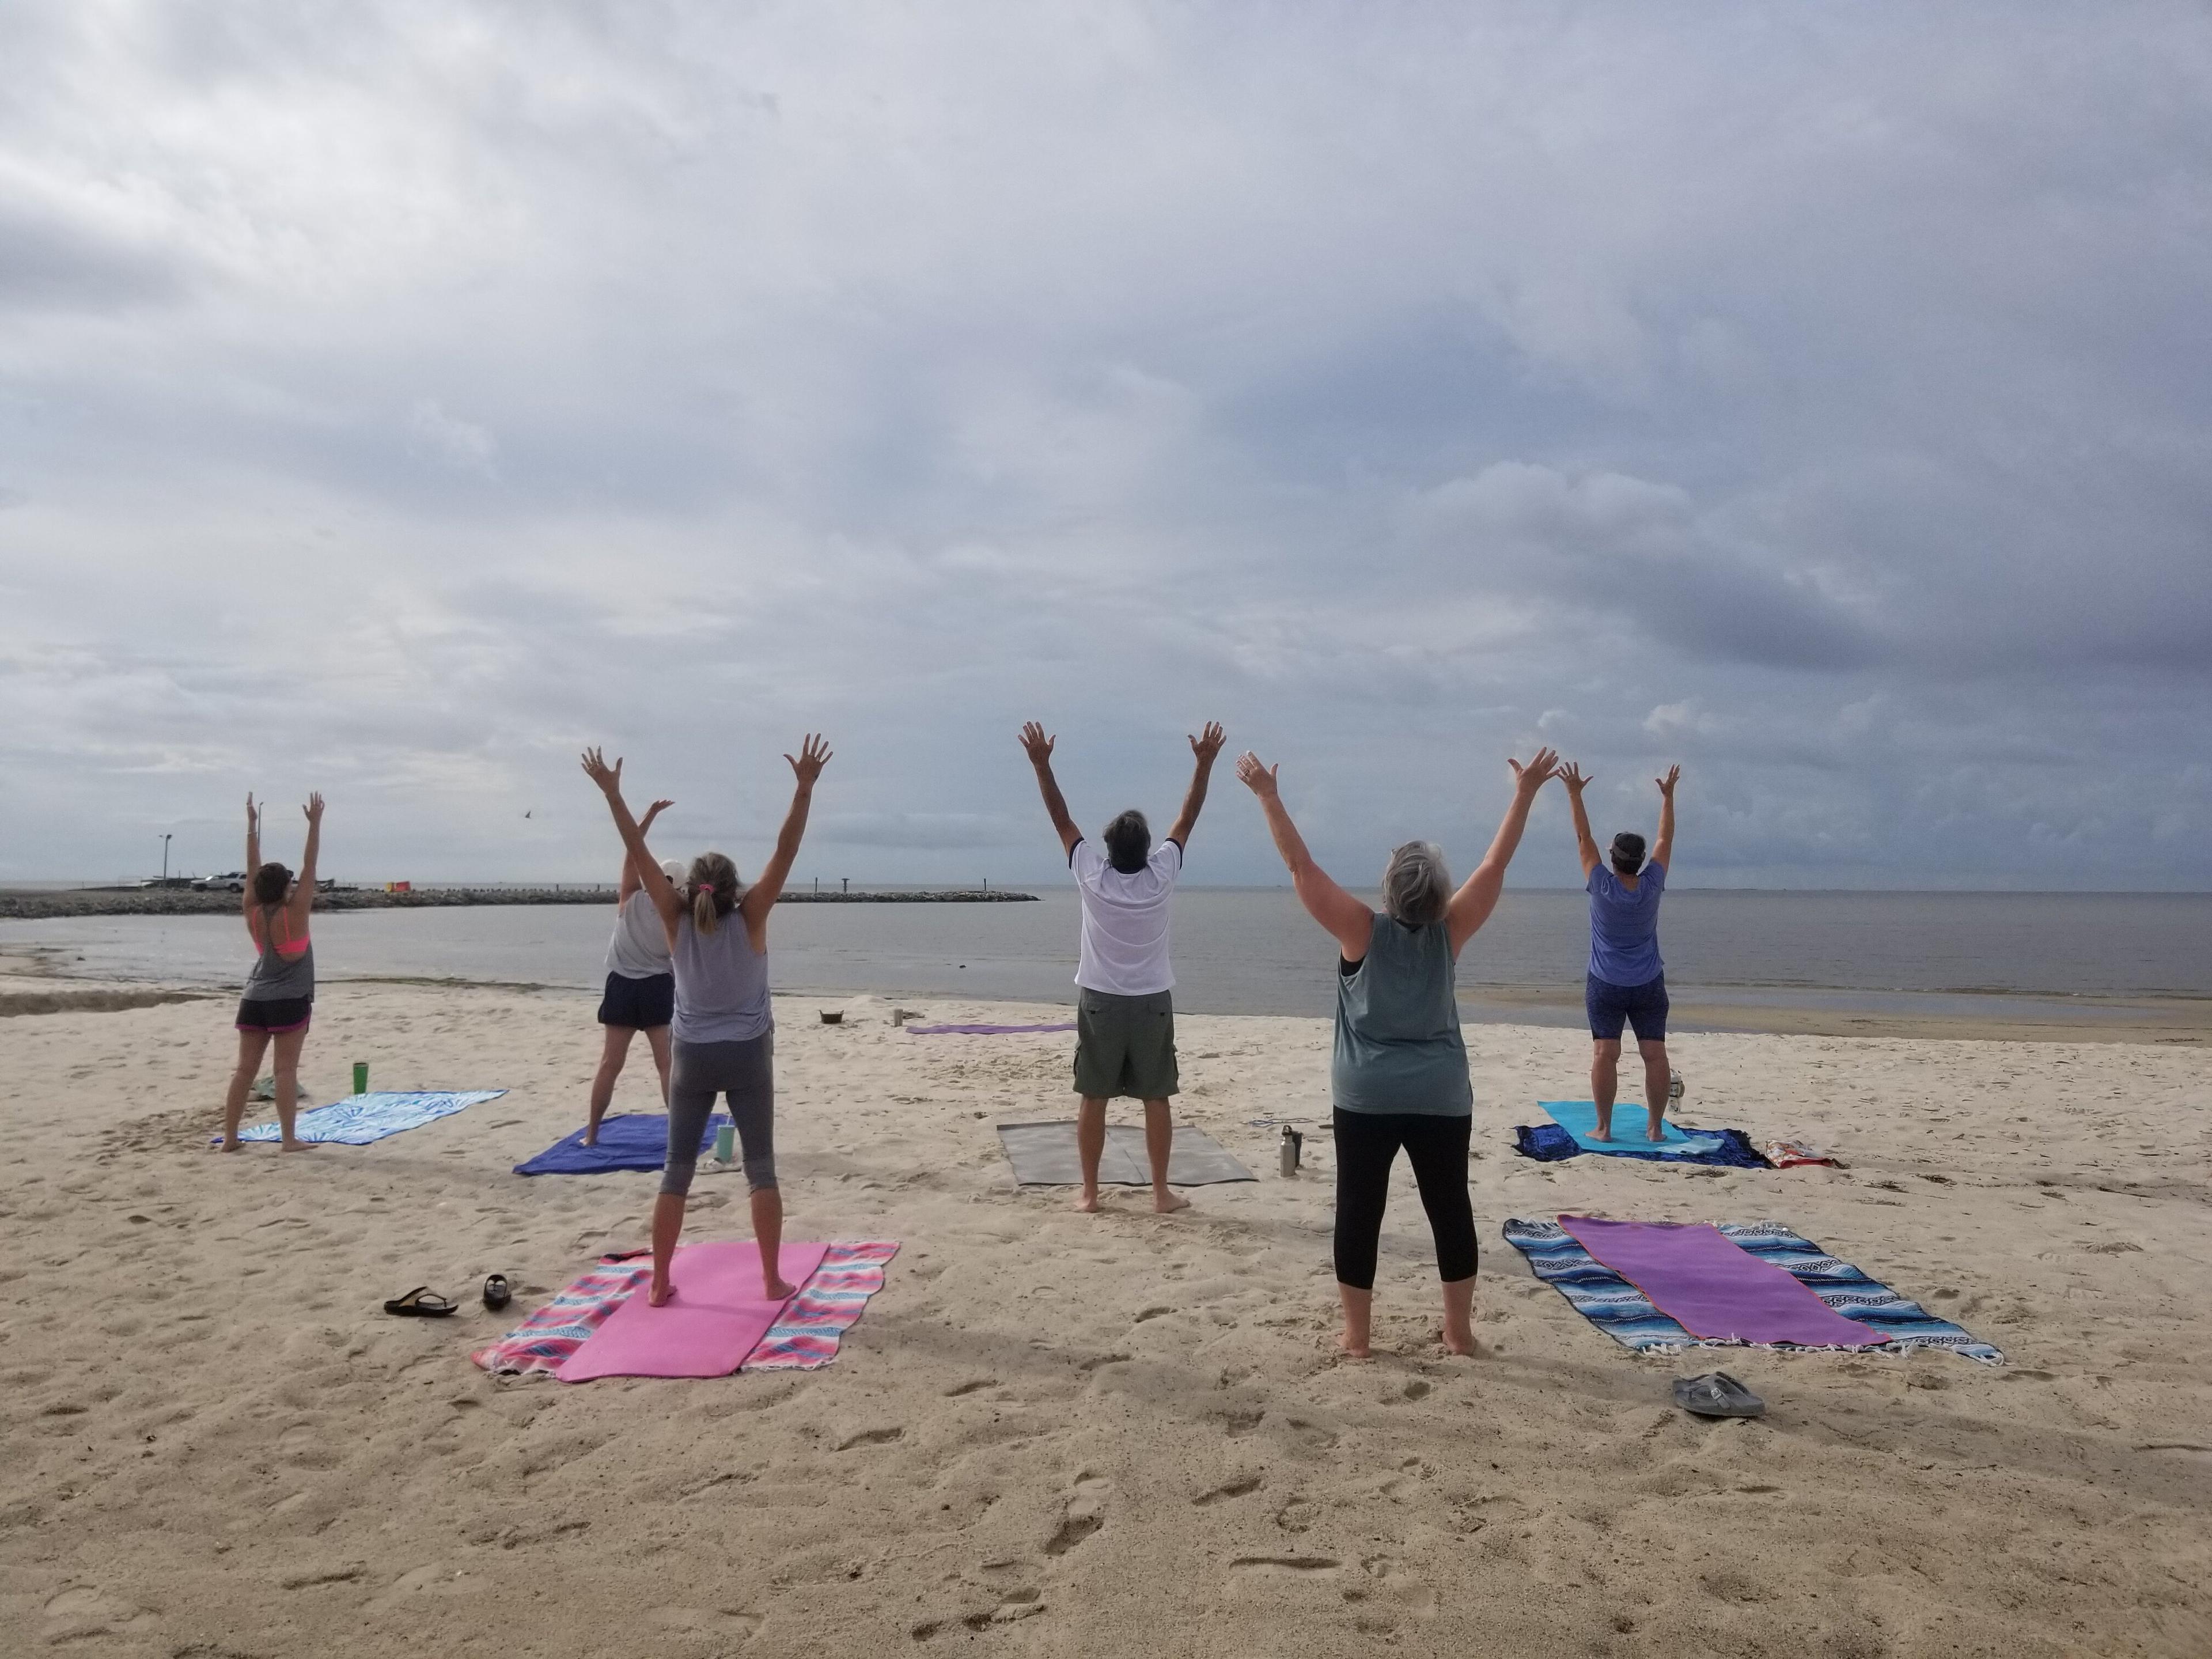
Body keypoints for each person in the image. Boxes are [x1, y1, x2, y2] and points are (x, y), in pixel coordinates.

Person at [1238, 745, 1560, 1358]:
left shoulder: (1361, 929)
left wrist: (1267, 795)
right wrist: (1525, 793)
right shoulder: (1451, 931)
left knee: (1360, 1209)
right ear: (1439, 895)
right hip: (1439, 1094)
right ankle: (1459, 1334)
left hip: (1366, 1093)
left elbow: (1299, 865)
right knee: (1449, 1209)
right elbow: (1496, 863)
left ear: (1389, 890)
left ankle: (1357, 1339)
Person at [581, 736, 830, 1307]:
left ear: (692, 888)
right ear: (733, 887)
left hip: (691, 1056)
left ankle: (660, 1282)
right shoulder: (753, 916)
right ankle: (771, 1280)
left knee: (676, 1171)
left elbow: (638, 859)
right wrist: (804, 788)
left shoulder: (674, 920)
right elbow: (785, 852)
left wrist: (615, 797)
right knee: (760, 1168)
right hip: (746, 1056)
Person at [1017, 718, 1225, 1214]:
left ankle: (1089, 1194)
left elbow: (1061, 819)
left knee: (1094, 1096)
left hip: (1101, 1002)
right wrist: (1204, 764)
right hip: (1152, 1001)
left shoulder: (1092, 875)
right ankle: (1159, 1194)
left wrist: (1042, 766)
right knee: (1156, 1098)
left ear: (1109, 850)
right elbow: (1187, 819)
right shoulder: (1162, 875)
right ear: (1146, 849)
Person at [1559, 761, 1679, 1142]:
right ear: (1640, 861)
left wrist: (1574, 794)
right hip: (1648, 983)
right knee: (1655, 1055)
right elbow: (1665, 840)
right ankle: (1656, 1129)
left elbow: (1582, 837)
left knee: (1605, 1054)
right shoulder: (1652, 885)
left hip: (1606, 983)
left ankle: (1604, 1128)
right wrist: (1668, 797)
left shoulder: (1600, 884)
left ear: (1612, 858)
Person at [218, 791, 325, 1152]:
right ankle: (289, 1140)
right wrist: (315, 826)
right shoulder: (294, 915)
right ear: (284, 889)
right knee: (284, 1071)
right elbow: (311, 865)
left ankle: (231, 1140)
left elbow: (252, 873)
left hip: (254, 998)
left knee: (244, 1072)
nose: (296, 885)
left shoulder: (251, 909)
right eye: (290, 883)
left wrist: (251, 826)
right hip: (289, 999)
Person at [586, 794, 679, 1146]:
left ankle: (592, 1135)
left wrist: (649, 816)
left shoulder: (630, 898)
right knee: (667, 1065)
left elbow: (632, 849)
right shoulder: (676, 912)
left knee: (610, 1063)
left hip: (622, 986)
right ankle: (677, 1136)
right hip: (656, 987)